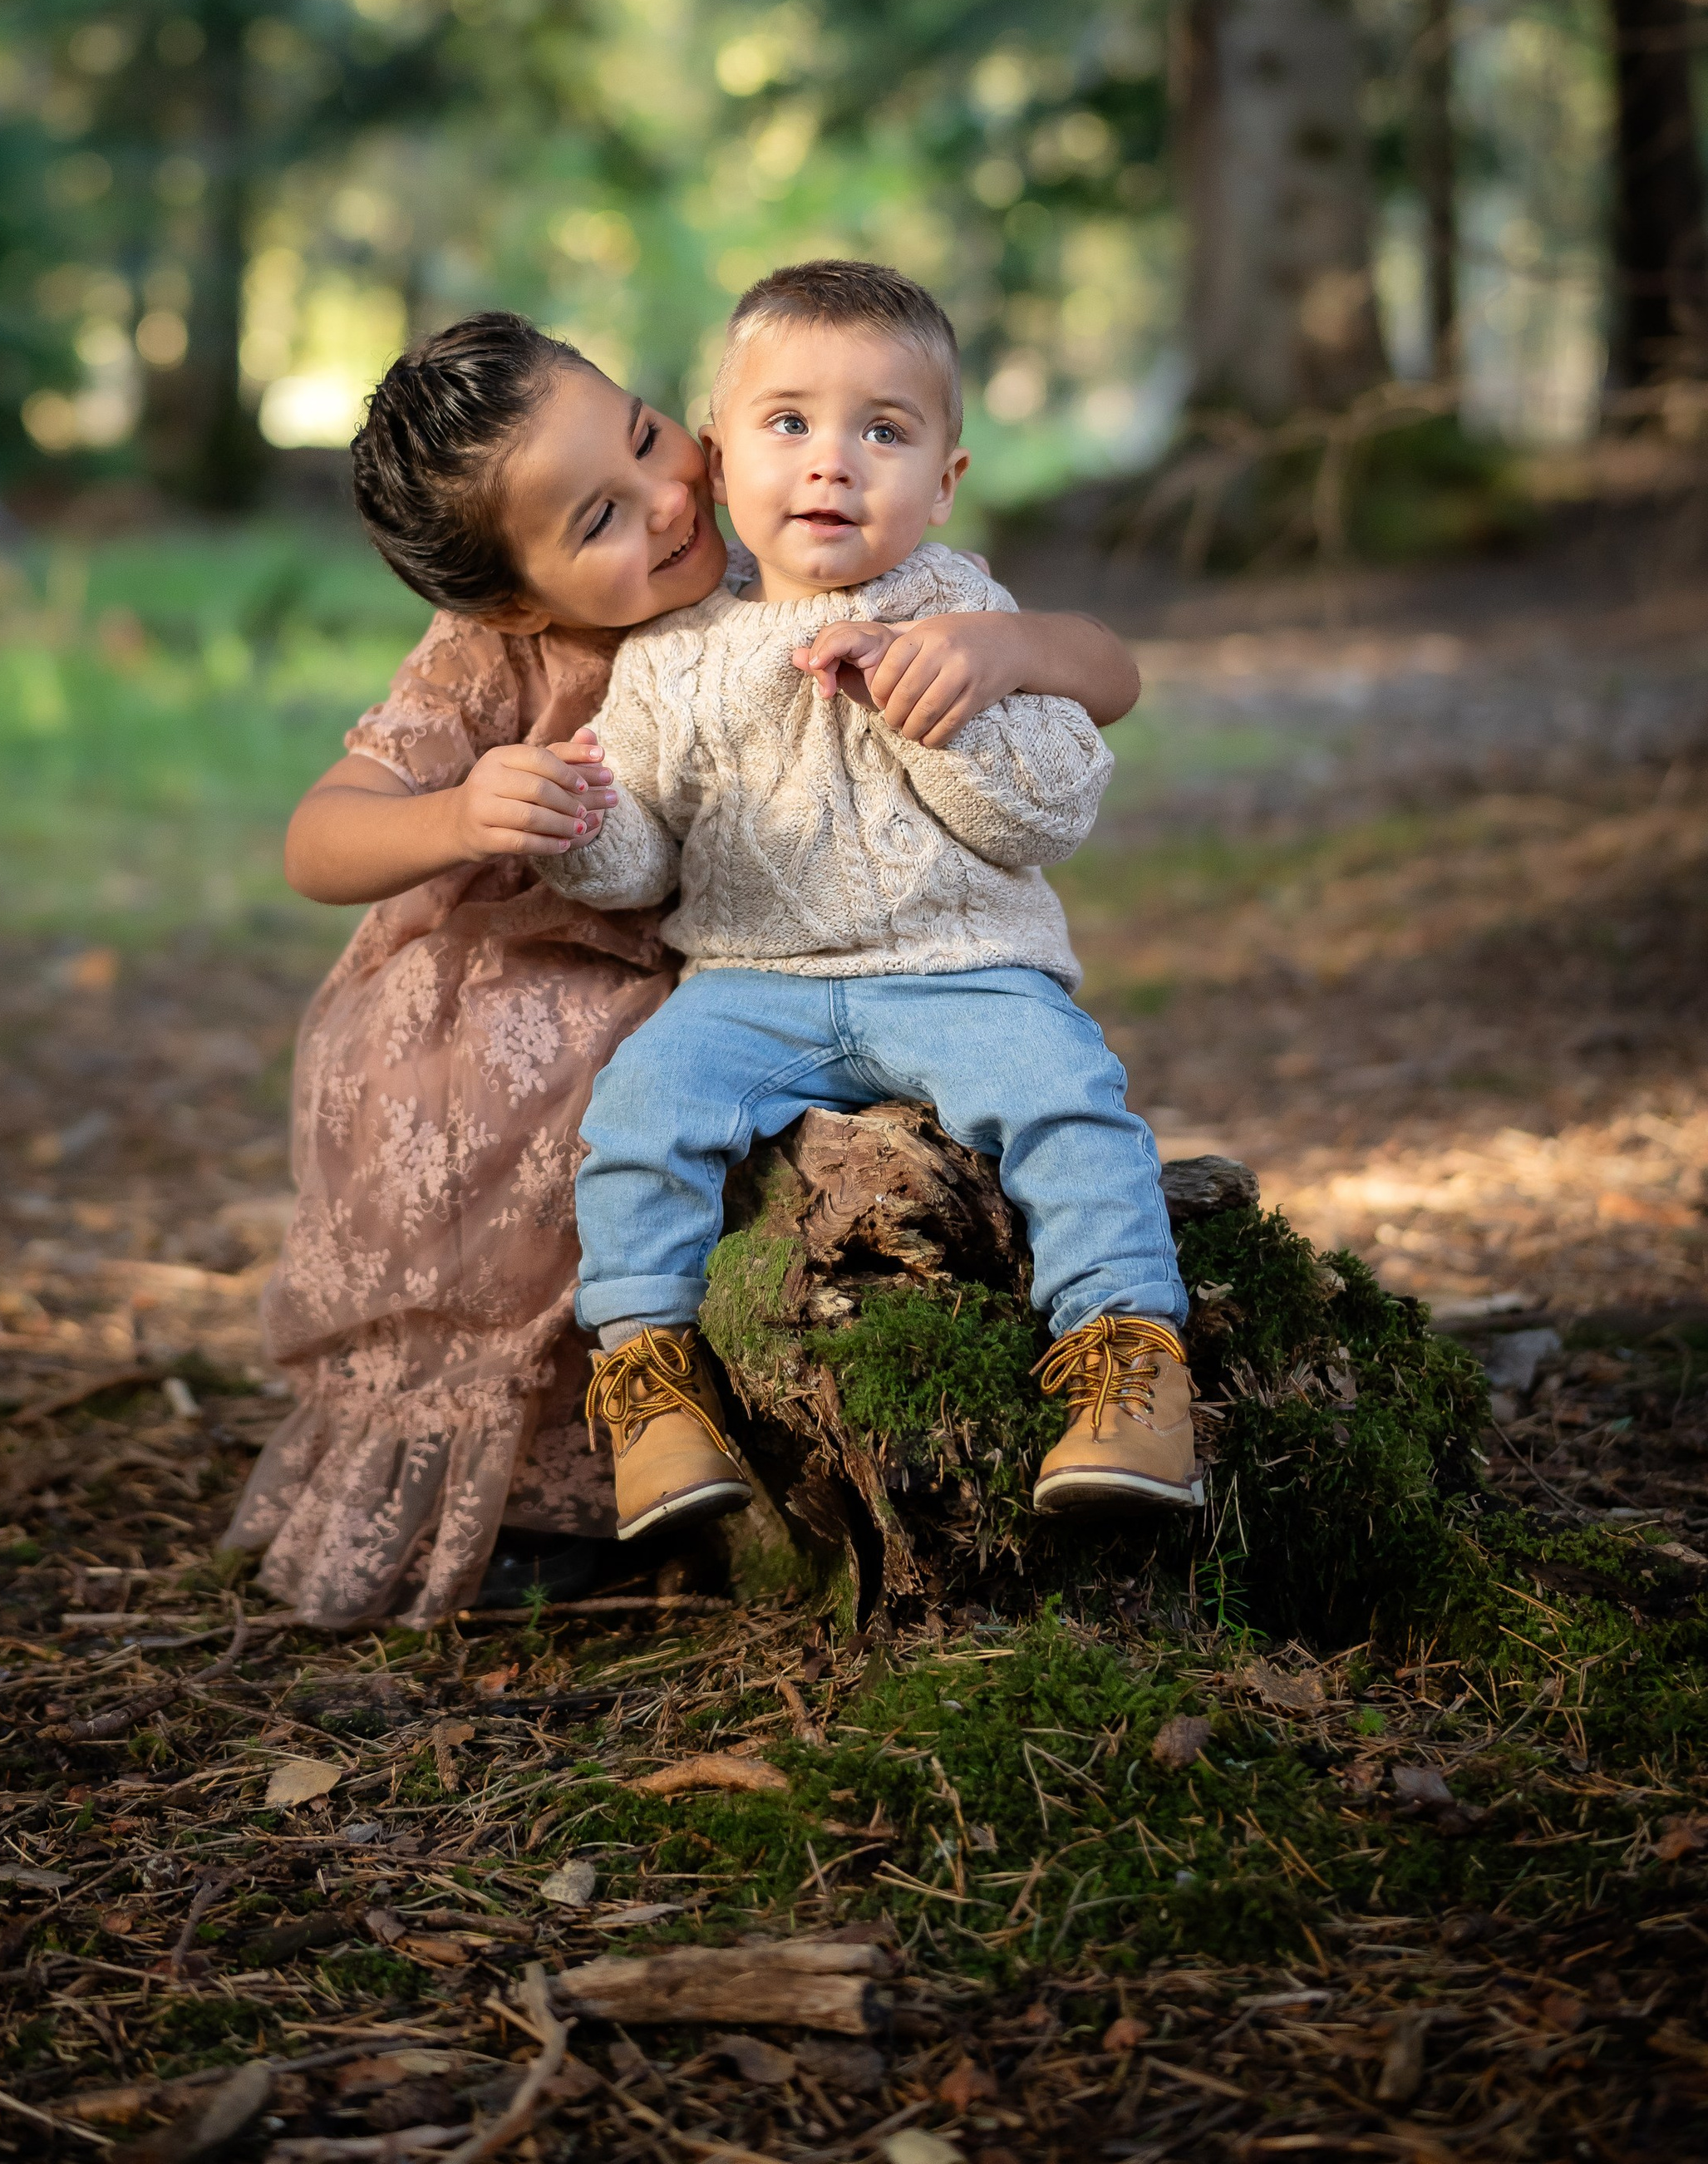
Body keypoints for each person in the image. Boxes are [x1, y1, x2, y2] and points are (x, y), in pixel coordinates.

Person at [227, 308, 1141, 1626]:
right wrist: (462, 813)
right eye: (597, 519)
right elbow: (319, 841)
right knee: (599, 1131)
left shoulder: (786, 545)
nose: (665, 500)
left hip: (741, 969)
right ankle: (550, 1509)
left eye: (650, 436)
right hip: (504, 1013)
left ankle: (730, 1452)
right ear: (518, 595)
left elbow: (1108, 674)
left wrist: (1008, 652)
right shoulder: (496, 651)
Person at [544, 260, 1198, 1547]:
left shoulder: (967, 612)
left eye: (882, 431)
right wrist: (575, 821)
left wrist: (932, 706)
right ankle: (652, 1384)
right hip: (746, 985)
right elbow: (642, 865)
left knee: (1072, 1103)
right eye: (789, 425)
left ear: (946, 478)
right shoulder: (671, 655)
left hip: (966, 971)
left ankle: (1132, 1362)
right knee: (638, 1115)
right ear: (723, 458)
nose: (832, 463)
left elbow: (1048, 816)